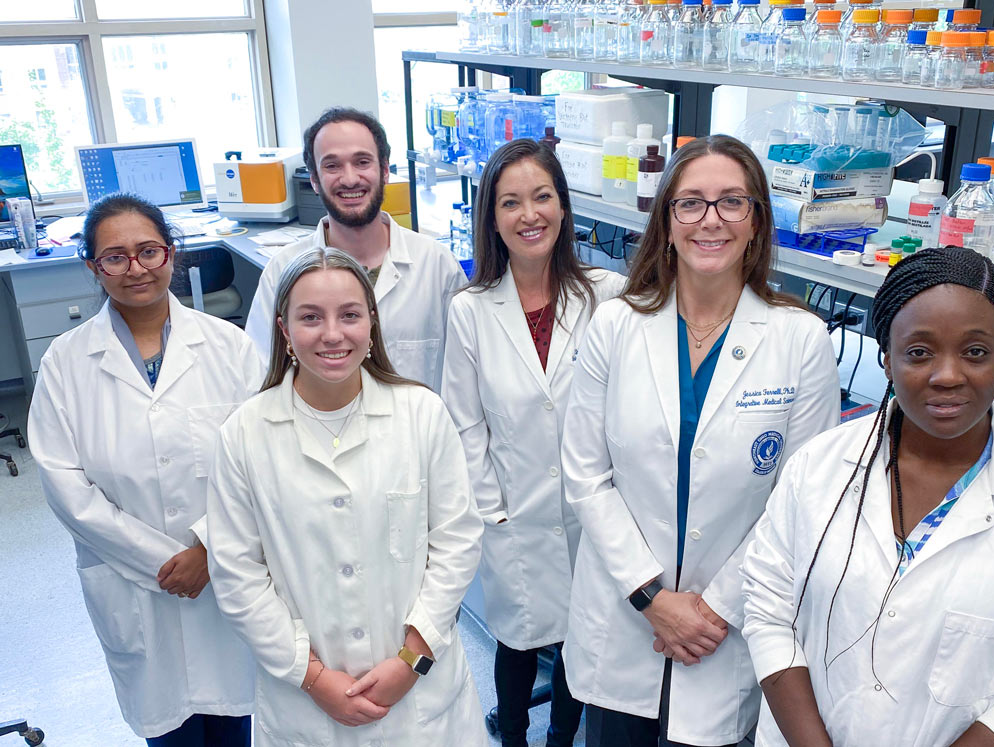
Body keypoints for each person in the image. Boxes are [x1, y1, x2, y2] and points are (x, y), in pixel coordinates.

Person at [741, 247, 994, 747]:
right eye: (919, 352)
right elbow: (768, 611)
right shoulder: (818, 467)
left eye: (975, 352)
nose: (947, 375)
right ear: (887, 357)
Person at [559, 135, 842, 747]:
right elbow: (585, 477)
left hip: (725, 629)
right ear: (665, 222)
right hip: (624, 617)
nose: (710, 220)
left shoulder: (801, 340)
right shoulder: (615, 325)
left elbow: (801, 504)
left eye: (731, 202)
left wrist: (712, 612)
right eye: (690, 203)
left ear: (757, 223)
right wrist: (651, 598)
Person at [206, 246, 488, 746]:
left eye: (350, 315)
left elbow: (457, 544)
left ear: (372, 323)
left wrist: (412, 660)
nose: (333, 334)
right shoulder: (244, 435)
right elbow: (237, 574)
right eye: (310, 317)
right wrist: (312, 677)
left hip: (420, 699)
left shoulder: (422, 414)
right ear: (283, 330)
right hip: (305, 707)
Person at [28, 193, 259, 745]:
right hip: (133, 586)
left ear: (172, 255)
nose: (136, 268)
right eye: (115, 257)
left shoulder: (230, 348)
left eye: (148, 251)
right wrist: (164, 562)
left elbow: (263, 466)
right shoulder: (65, 363)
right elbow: (65, 487)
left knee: (238, 723)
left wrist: (208, 549)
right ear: (93, 267)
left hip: (223, 579)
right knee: (169, 731)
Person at [441, 139, 626, 747]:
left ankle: (561, 740)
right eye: (511, 202)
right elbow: (464, 424)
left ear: (564, 206)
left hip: (589, 512)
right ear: (491, 218)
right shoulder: (470, 309)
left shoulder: (606, 294)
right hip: (512, 513)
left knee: (582, 639)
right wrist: (490, 507)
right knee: (517, 640)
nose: (530, 215)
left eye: (542, 197)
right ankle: (514, 736)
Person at [244, 107, 464, 389]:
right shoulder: (282, 270)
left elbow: (463, 378)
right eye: (332, 165)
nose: (349, 179)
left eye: (362, 162)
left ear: (384, 171)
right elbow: (259, 376)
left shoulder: (436, 265)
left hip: (416, 432)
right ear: (313, 180)